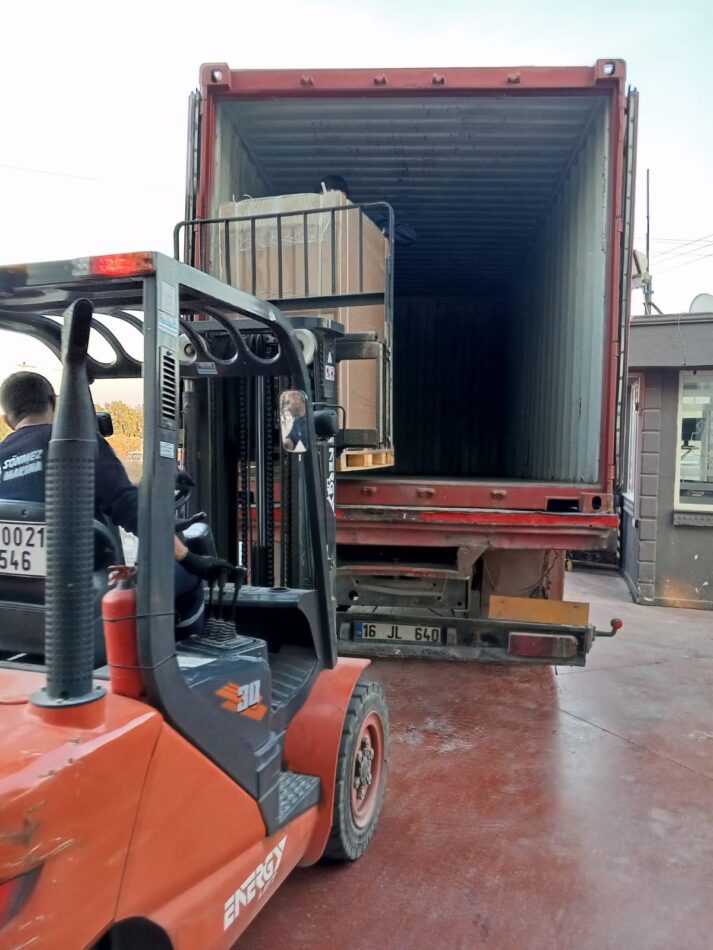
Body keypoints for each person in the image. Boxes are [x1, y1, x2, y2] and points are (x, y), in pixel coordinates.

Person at [0, 371, 231, 637]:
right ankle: (181, 657)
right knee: (186, 577)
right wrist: (190, 559)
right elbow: (130, 509)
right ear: (53, 401)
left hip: (13, 601)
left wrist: (149, 486)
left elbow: (107, 491)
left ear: (7, 420)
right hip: (84, 594)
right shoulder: (79, 445)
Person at [317, 174, 417, 245]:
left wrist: (372, 231)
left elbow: (407, 234)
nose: (330, 206)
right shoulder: (312, 222)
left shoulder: (362, 217)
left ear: (345, 198)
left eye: (333, 199)